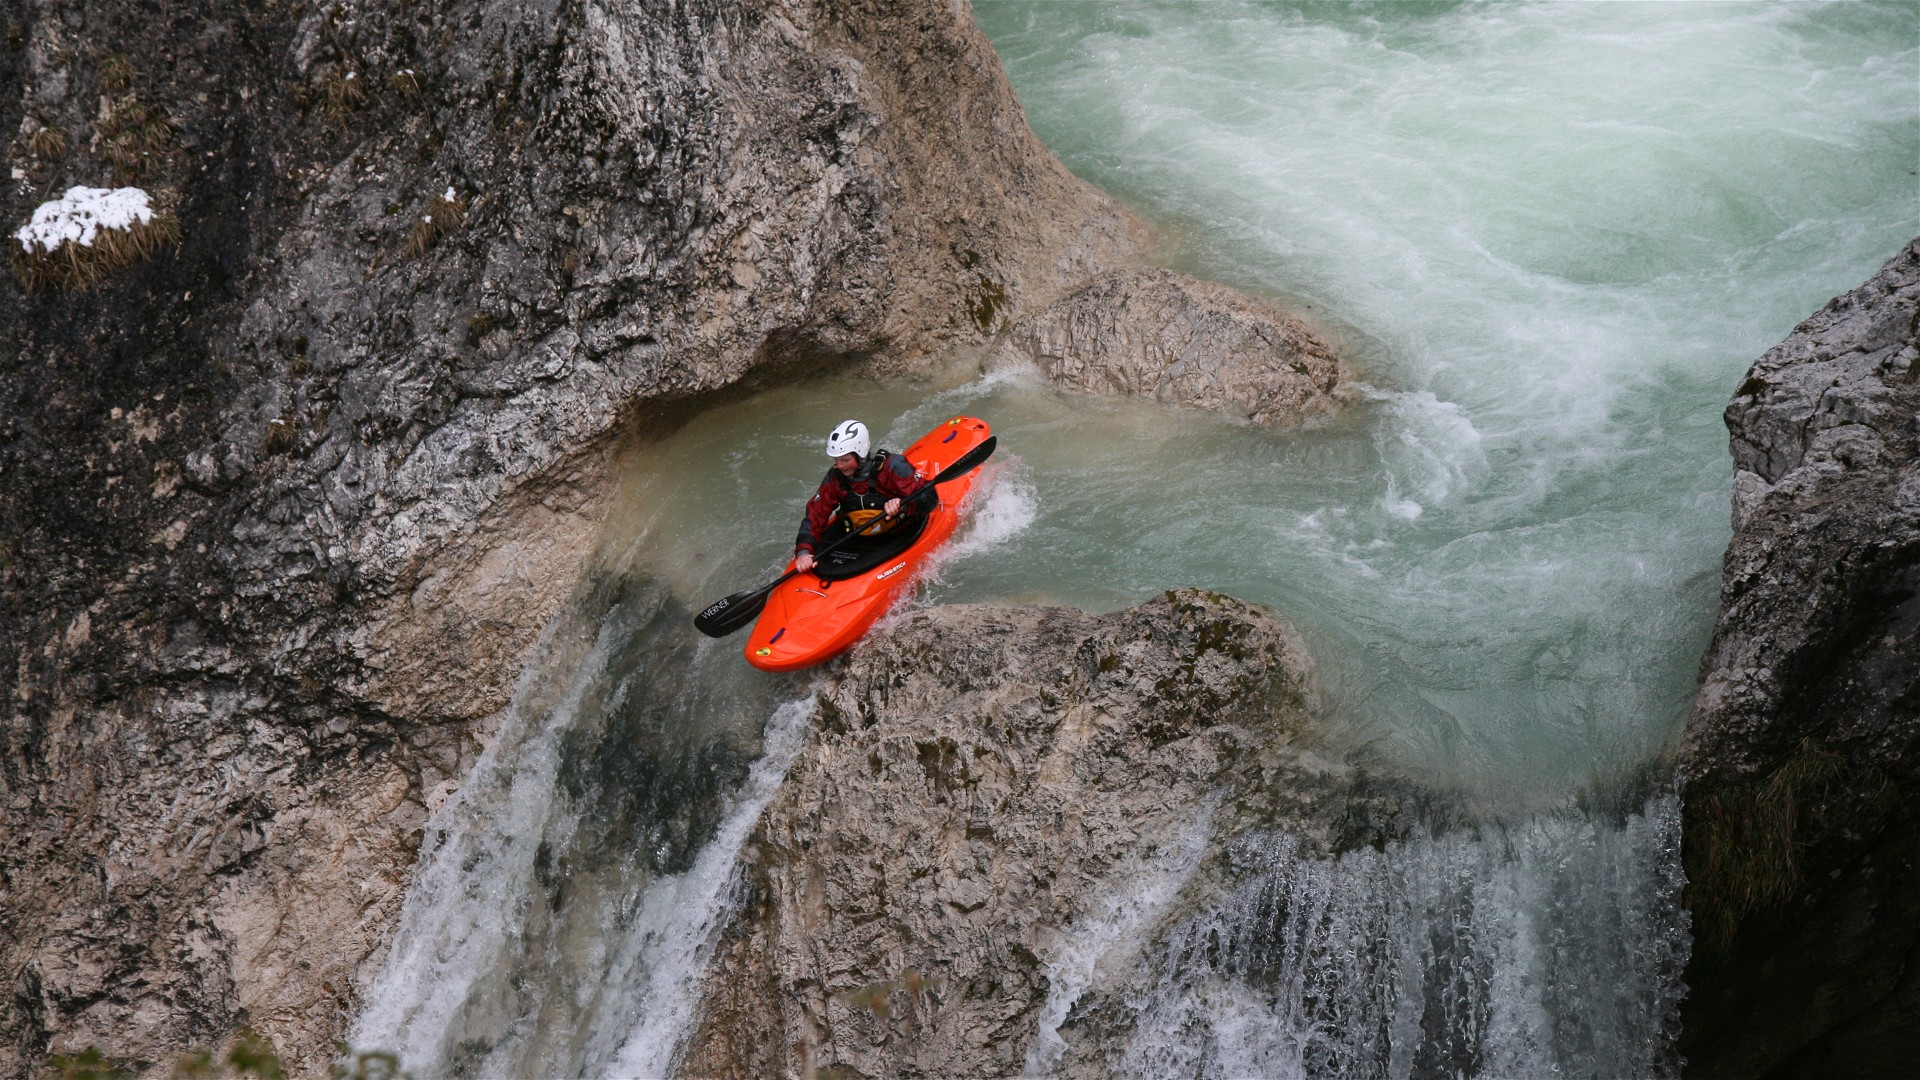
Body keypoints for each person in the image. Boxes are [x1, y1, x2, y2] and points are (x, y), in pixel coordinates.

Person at [793, 420, 929, 574]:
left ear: (861, 454)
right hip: (856, 534)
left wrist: (903, 504)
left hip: (896, 533)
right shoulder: (836, 478)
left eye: (845, 460)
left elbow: (928, 498)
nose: (840, 466)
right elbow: (815, 515)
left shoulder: (892, 467)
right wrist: (804, 552)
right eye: (836, 460)